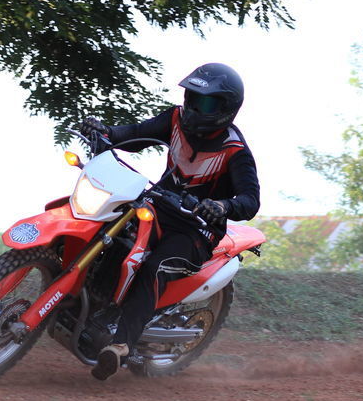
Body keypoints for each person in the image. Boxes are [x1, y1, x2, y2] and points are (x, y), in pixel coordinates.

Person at [80, 62, 261, 381]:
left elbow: (250, 200)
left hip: (196, 230)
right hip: (159, 205)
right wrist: (104, 132)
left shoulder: (235, 151)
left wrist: (220, 205)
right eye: (192, 96)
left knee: (154, 267)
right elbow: (133, 135)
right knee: (110, 233)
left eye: (204, 102)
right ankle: (87, 304)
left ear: (225, 108)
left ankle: (121, 345)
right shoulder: (174, 119)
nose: (193, 106)